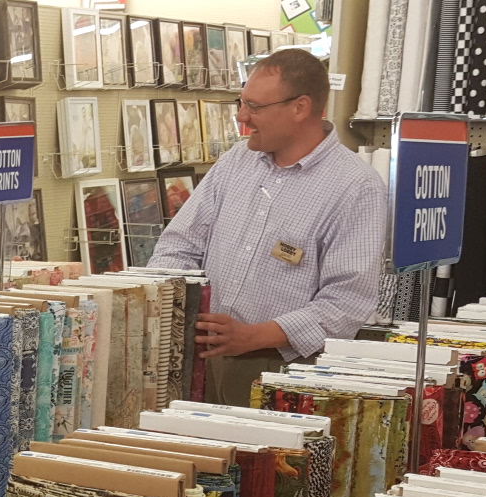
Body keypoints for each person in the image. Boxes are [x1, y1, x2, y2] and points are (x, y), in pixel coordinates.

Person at [148, 48, 390, 406]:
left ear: (300, 107)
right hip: (199, 358)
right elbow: (179, 245)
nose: (243, 118)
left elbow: (346, 303)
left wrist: (254, 336)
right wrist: (166, 309)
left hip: (286, 370)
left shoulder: (356, 187)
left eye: (255, 107)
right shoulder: (237, 160)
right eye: (241, 103)